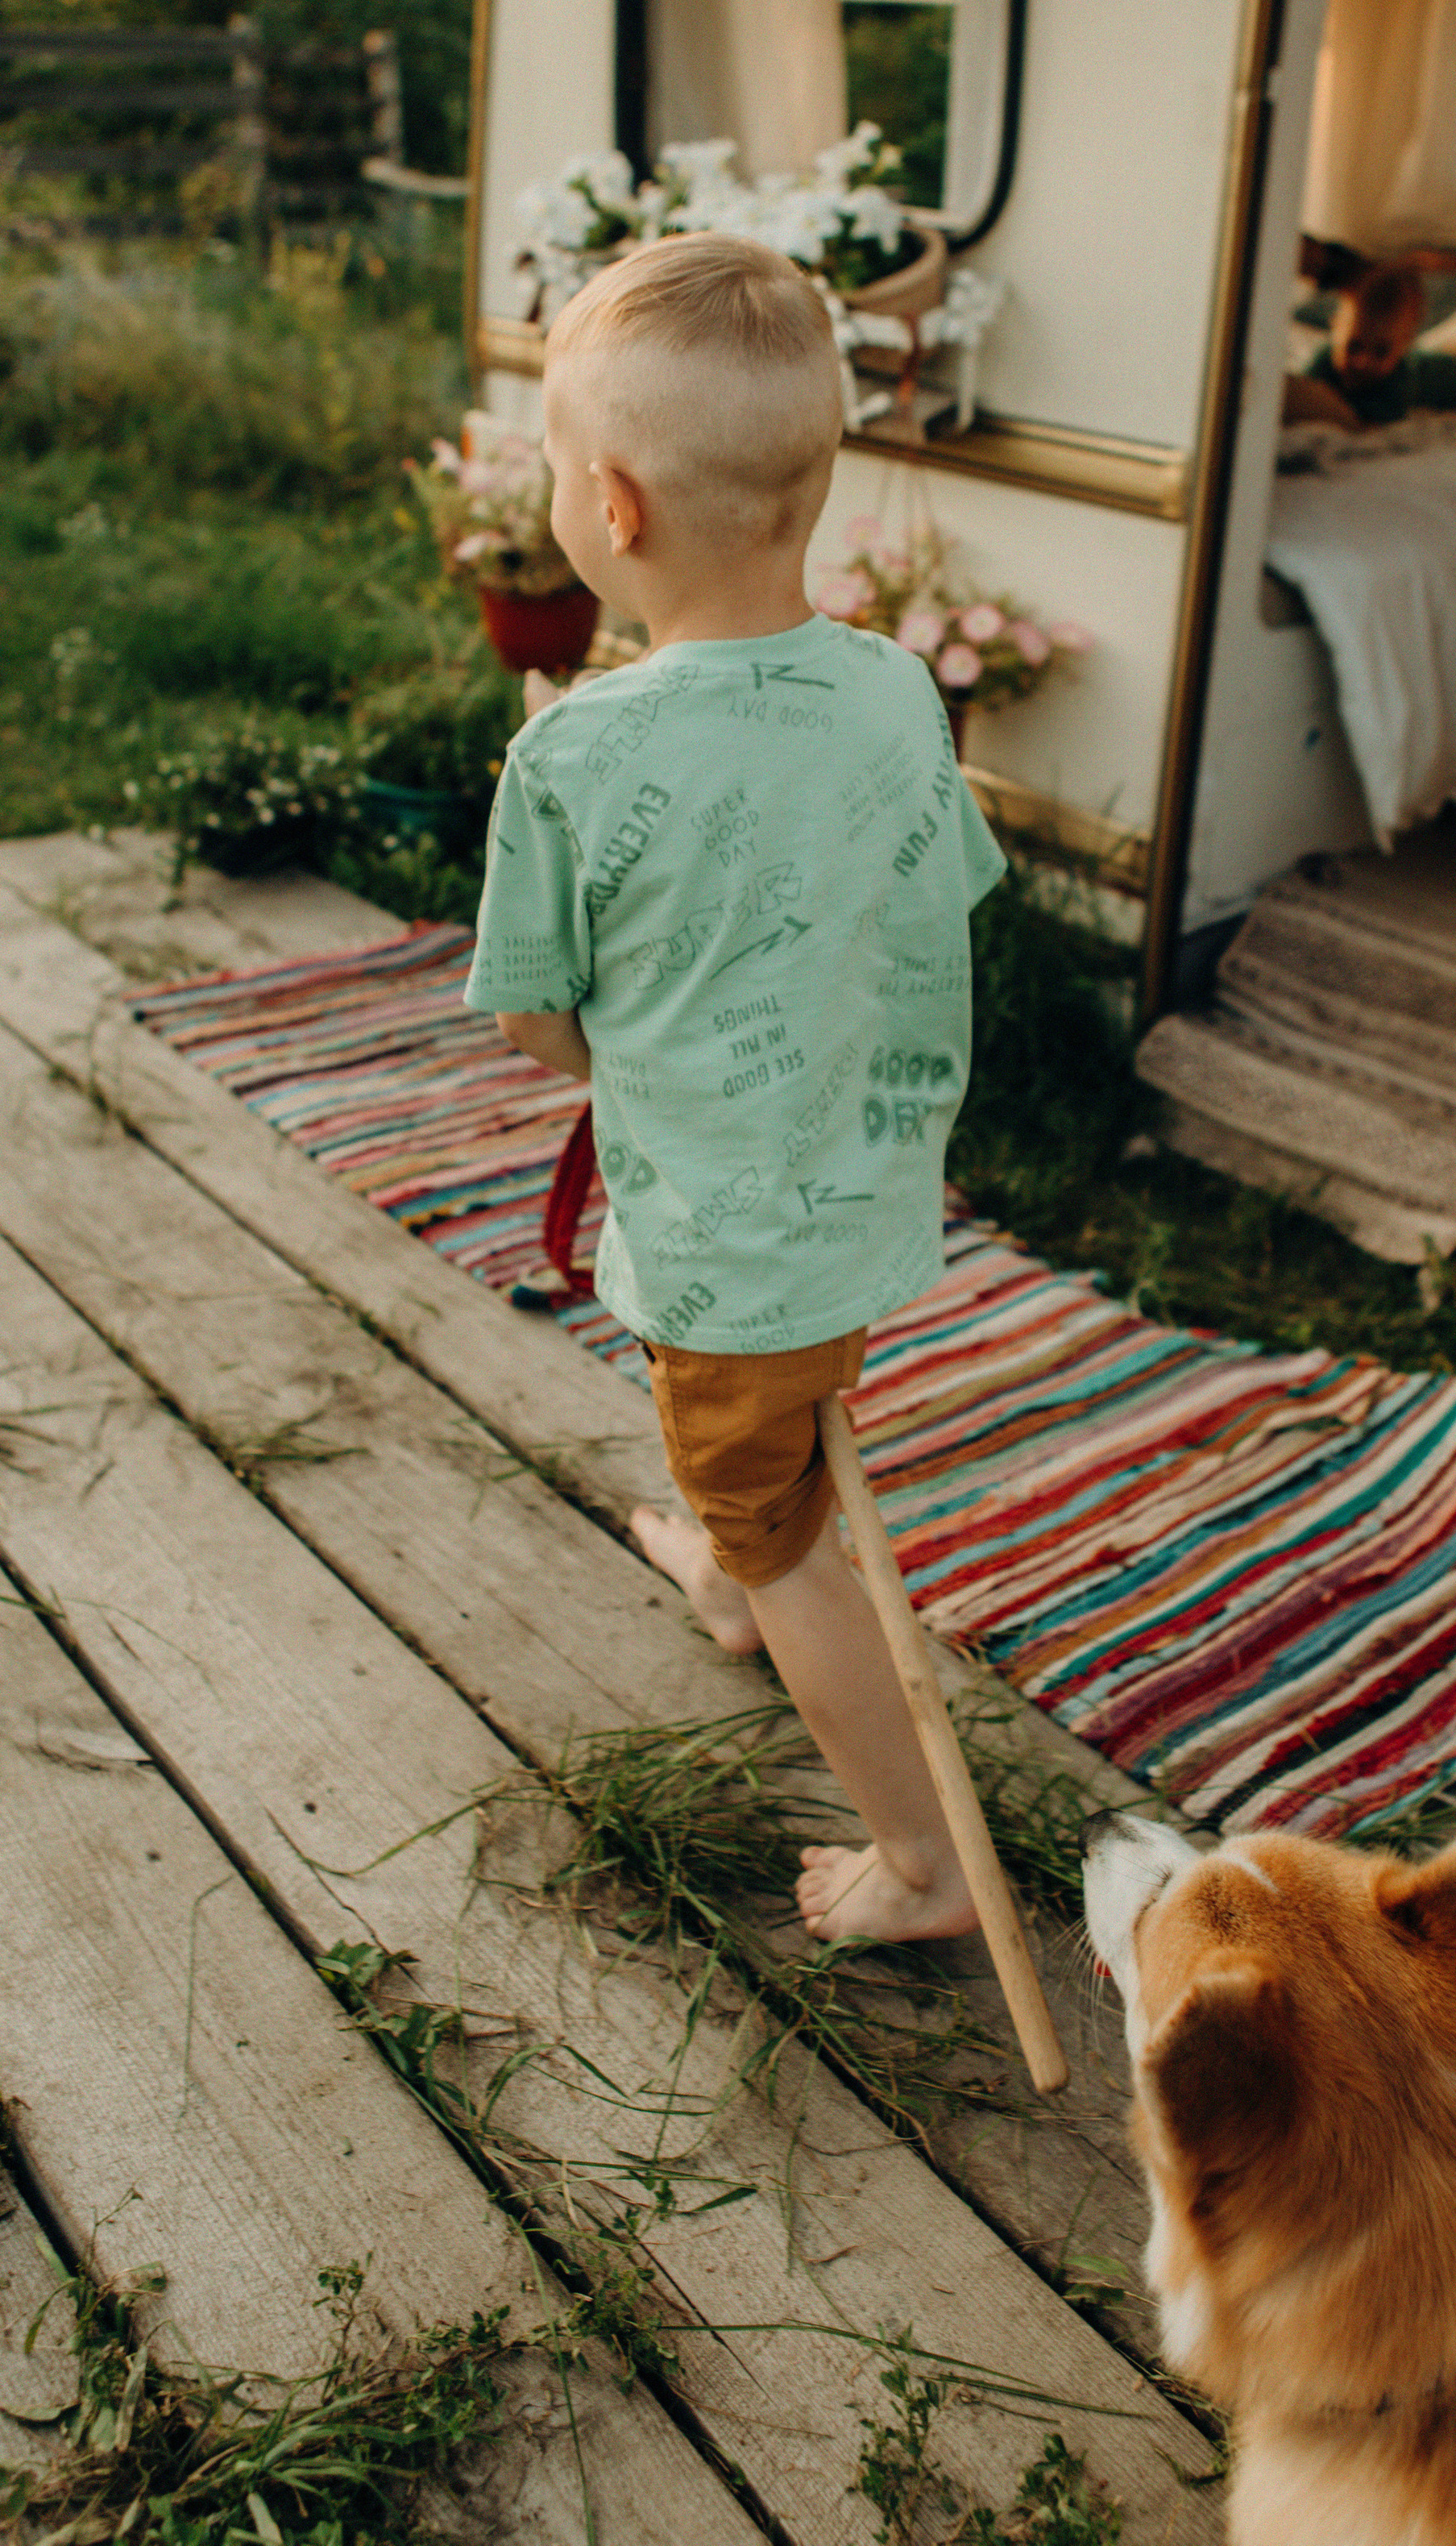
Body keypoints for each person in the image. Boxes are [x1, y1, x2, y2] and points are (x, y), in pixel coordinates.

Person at [465, 232, 1006, 1945]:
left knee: (796, 1548)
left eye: (557, 467)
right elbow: (943, 893)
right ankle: (723, 1557)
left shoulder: (571, 752)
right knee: (765, 1441)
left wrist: (628, 1052)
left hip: (727, 1243)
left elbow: (534, 1020)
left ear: (610, 508)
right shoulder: (894, 688)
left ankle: (921, 1859)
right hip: (859, 1193)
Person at [1282, 257, 1456, 430]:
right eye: (1354, 346)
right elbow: (1309, 392)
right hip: (1430, 362)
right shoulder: (1325, 357)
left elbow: (1364, 425)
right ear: (1335, 328)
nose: (1363, 362)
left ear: (1405, 343)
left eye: (1381, 352)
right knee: (1447, 356)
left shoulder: (1399, 381)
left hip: (1445, 377)